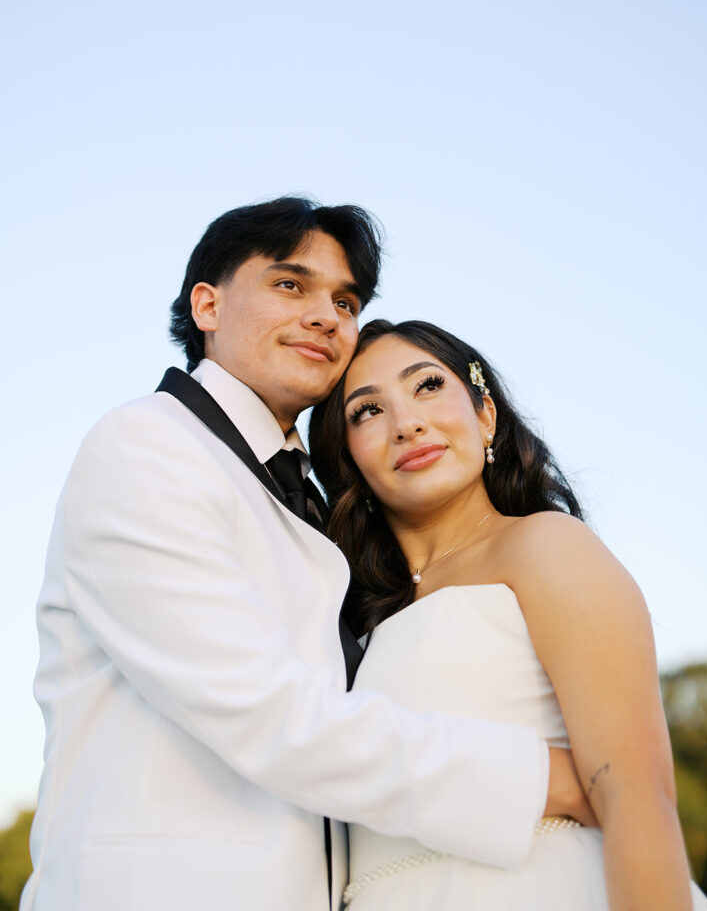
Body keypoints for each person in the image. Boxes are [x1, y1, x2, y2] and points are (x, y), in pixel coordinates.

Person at [22, 199, 590, 911]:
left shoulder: (313, 500)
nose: (327, 315)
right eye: (291, 285)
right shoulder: (147, 445)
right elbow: (267, 711)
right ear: (207, 305)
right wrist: (546, 781)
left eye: (345, 300)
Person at [309, 318, 707, 911]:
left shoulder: (545, 545)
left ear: (484, 415)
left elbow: (638, 797)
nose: (408, 423)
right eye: (367, 411)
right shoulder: (348, 621)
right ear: (348, 458)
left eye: (426, 386)